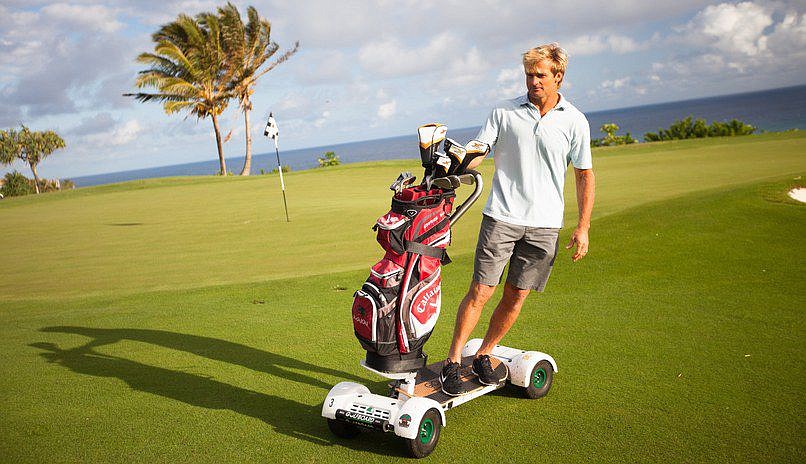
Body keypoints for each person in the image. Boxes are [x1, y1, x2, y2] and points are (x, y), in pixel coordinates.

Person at [440, 43, 596, 395]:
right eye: (529, 74)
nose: (533, 81)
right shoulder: (503, 111)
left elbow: (584, 174)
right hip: (501, 216)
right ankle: (452, 361)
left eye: (540, 75)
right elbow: (479, 151)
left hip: (545, 225)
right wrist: (455, 164)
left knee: (517, 294)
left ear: (558, 76)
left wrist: (583, 227)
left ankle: (485, 353)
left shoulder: (575, 120)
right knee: (481, 290)